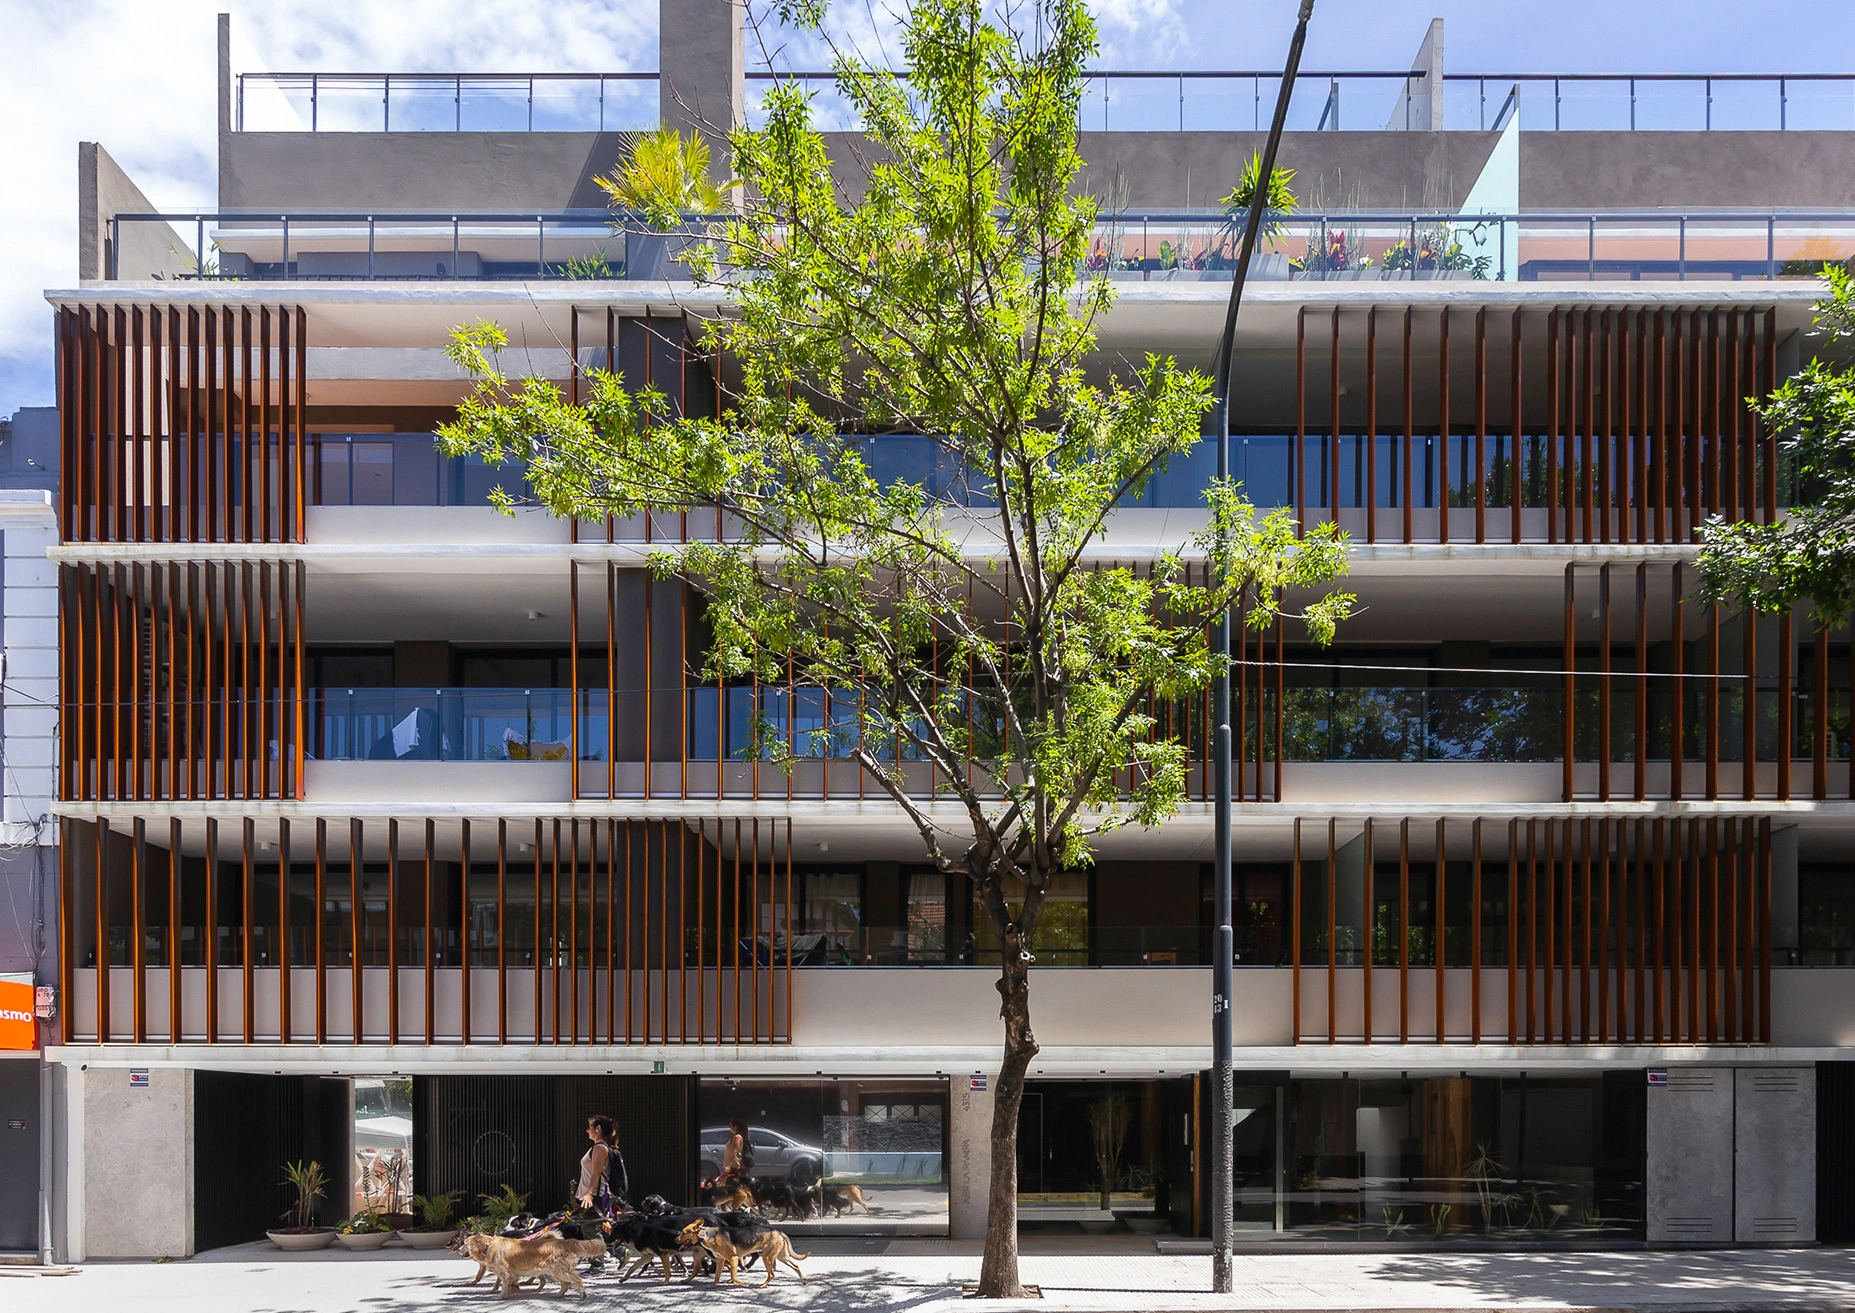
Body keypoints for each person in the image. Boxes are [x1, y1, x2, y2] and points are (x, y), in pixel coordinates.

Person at [575, 1115, 628, 1274]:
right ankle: (619, 1251)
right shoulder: (601, 1147)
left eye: (589, 1127)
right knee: (596, 1228)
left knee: (590, 1229)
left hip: (596, 1196)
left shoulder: (599, 1148)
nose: (587, 1131)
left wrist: (589, 1194)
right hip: (599, 1195)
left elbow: (596, 1173)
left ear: (597, 1129)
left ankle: (597, 1266)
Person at [720, 1118, 755, 1183]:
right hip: (736, 1167)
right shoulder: (741, 1136)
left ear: (735, 1127)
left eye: (730, 1125)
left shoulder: (737, 1137)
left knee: (732, 1186)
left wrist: (729, 1165)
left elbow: (734, 1152)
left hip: (735, 1167)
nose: (729, 1128)